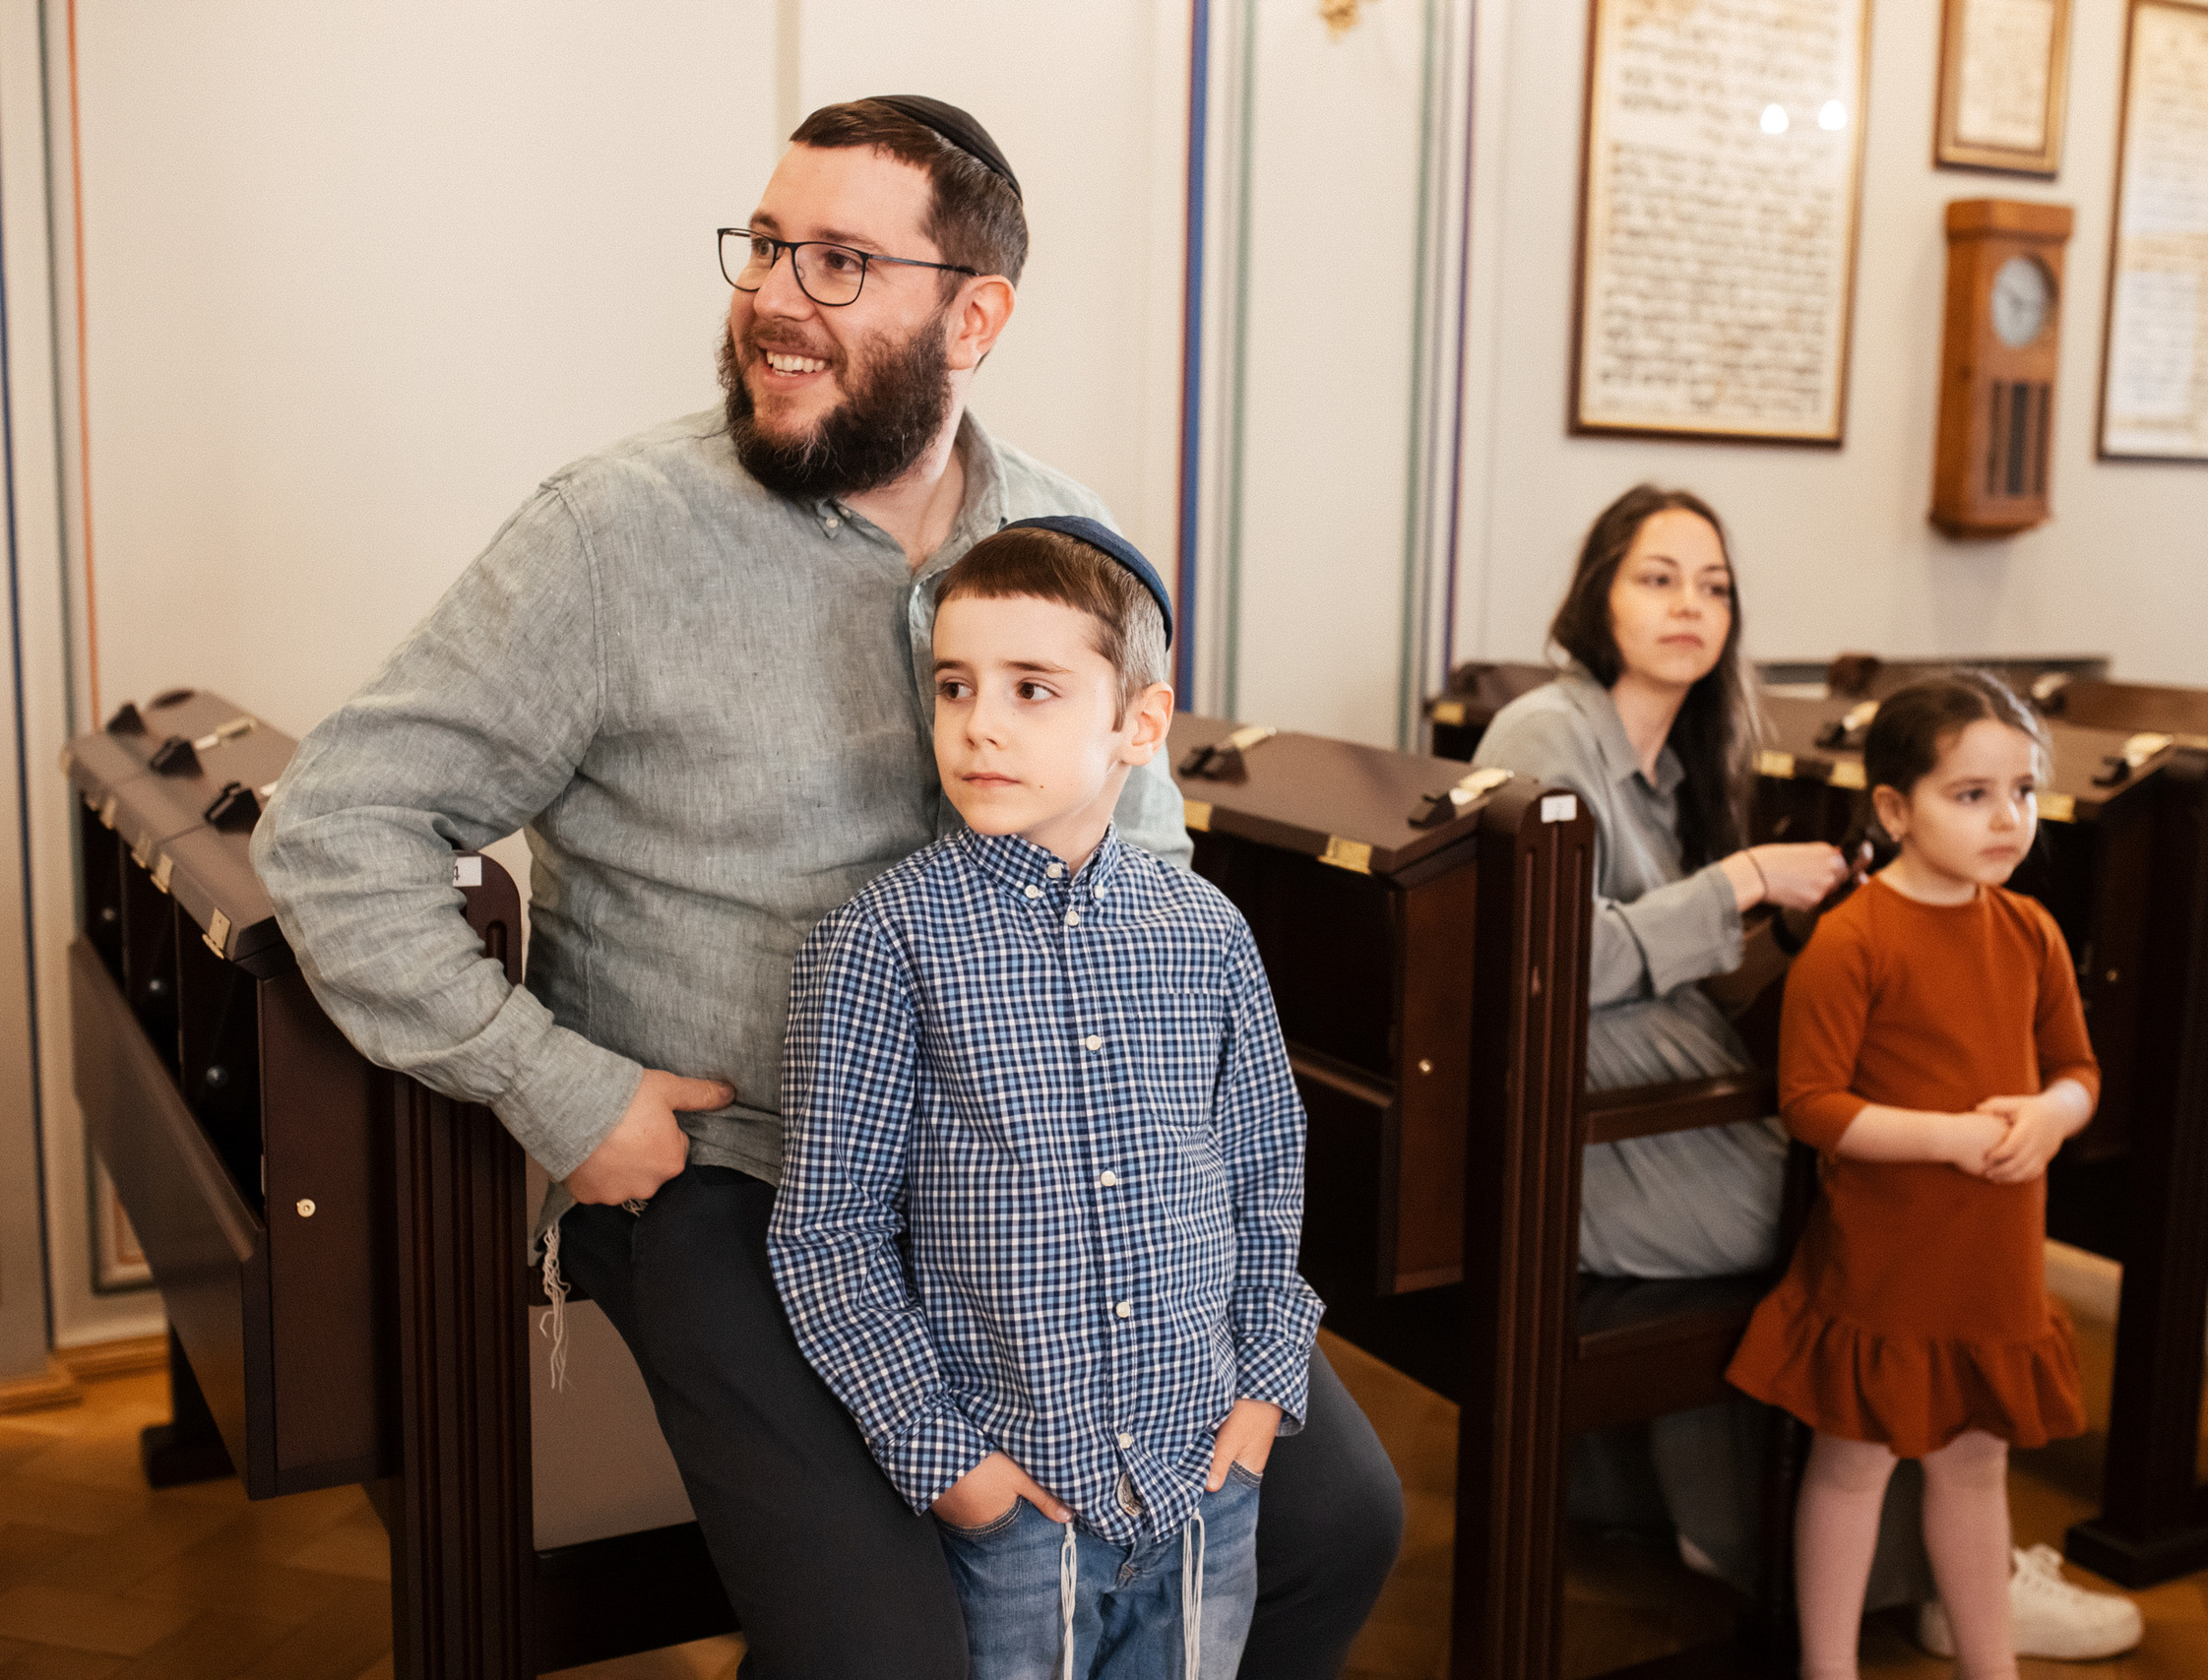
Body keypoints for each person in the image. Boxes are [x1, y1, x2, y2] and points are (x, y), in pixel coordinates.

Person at [250, 95, 1399, 1680]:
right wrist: (562, 1089)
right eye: (769, 246)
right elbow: (336, 826)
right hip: (738, 1172)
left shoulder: (1068, 540)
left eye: (844, 261)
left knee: (1338, 1521)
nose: (777, 296)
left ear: (973, 314)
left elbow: (1148, 847)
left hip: (1052, 1161)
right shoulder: (615, 534)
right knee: (891, 1650)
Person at [1472, 488, 2139, 1661]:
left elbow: (1675, 978)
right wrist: (1740, 885)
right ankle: (1913, 1584)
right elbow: (1548, 961)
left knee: (1858, 1234)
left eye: (1714, 585)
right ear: (1597, 596)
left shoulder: (1677, 761)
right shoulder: (1547, 730)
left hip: (1626, 1100)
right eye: (1656, 576)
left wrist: (1791, 931)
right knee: (1846, 1246)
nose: (1690, 605)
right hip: (1561, 1114)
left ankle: (1803, 1545)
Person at [770, 519, 1321, 1679]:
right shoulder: (882, 944)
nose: (980, 724)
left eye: (1033, 689)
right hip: (1012, 1502)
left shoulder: (1206, 933)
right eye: (955, 686)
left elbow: (1266, 1173)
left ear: (1139, 724)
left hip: (1202, 1492)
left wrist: (1261, 1402)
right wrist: (953, 1475)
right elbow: (827, 1235)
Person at [1726, 670, 2104, 1680]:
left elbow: (2078, 1071)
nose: (2006, 818)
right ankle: (1828, 1666)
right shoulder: (1853, 940)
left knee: (1976, 1465)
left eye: (2022, 791)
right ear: (1894, 808)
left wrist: (2051, 1116)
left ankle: (1993, 1666)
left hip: (1994, 1259)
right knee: (1853, 1463)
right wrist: (1947, 1138)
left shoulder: (2031, 933)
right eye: (1970, 794)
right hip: (1889, 1253)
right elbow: (1813, 1106)